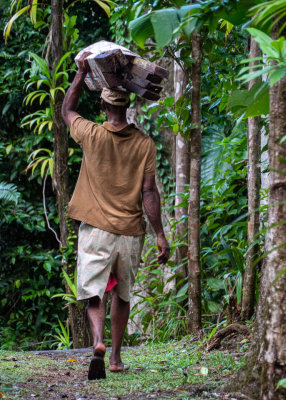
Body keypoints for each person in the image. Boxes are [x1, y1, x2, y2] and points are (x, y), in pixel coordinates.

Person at [61, 52, 170, 380]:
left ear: (106, 108)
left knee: (94, 291)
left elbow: (67, 110)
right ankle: (117, 358)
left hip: (95, 229)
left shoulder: (91, 135)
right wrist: (161, 235)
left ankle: (98, 342)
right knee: (122, 294)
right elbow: (149, 192)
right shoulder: (144, 144)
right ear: (127, 107)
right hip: (129, 231)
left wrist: (80, 74)